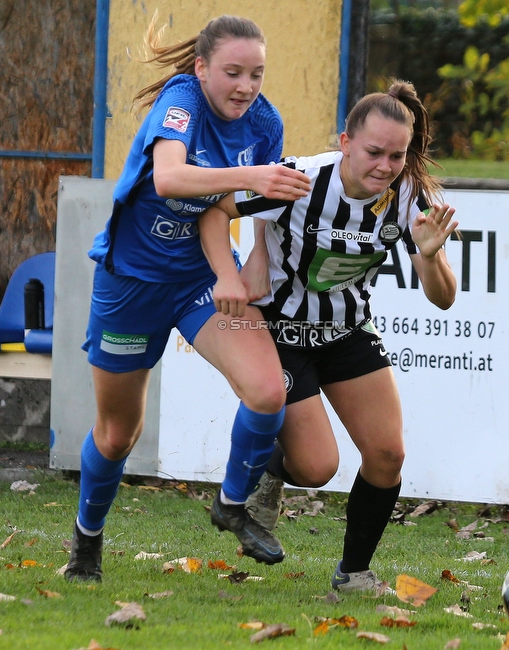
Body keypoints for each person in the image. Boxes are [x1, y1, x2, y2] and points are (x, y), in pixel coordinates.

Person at [64, 15, 312, 583]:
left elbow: (247, 206)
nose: (246, 87)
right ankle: (87, 543)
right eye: (232, 72)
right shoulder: (181, 101)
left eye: (256, 74)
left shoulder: (264, 121)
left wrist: (249, 263)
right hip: (131, 284)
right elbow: (172, 179)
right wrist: (253, 174)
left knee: (267, 391)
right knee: (118, 432)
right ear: (201, 69)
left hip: (200, 279)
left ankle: (230, 504)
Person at [198, 80, 458, 594]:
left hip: (346, 330)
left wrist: (428, 256)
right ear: (345, 142)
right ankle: (272, 469)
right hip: (281, 331)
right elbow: (214, 210)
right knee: (317, 468)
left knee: (387, 456)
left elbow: (444, 298)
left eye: (397, 156)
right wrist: (230, 274)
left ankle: (354, 573)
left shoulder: (408, 196)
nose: (385, 166)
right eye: (374, 152)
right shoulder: (298, 179)